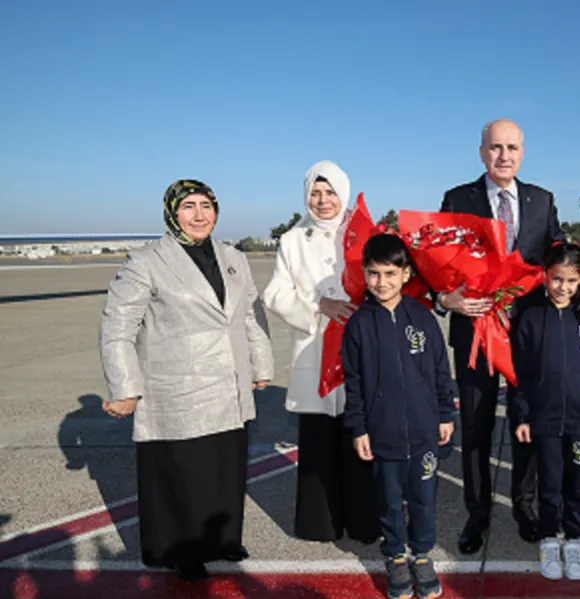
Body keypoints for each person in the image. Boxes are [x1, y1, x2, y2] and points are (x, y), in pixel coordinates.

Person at [438, 118, 580, 553]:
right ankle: (477, 514)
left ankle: (523, 504)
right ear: (481, 151)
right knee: (475, 426)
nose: (503, 155)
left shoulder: (541, 199)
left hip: (529, 336)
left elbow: (558, 255)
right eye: (495, 147)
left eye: (511, 147)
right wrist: (445, 300)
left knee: (528, 422)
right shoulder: (458, 199)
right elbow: (437, 261)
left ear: (523, 152)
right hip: (474, 332)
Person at [99, 179, 273, 581]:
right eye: (189, 206)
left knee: (225, 466)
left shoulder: (233, 257)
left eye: (207, 205)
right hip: (177, 384)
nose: (199, 215)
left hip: (229, 382)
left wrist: (260, 365)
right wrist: (124, 388)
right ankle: (182, 549)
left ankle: (223, 538)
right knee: (184, 471)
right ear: (171, 212)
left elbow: (249, 313)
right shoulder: (147, 260)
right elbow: (117, 326)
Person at [262, 161, 380, 544]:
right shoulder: (292, 241)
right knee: (318, 443)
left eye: (330, 192)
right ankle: (320, 523)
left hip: (359, 351)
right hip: (314, 348)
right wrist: (319, 305)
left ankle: (363, 521)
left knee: (361, 438)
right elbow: (276, 294)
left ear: (343, 193)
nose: (323, 200)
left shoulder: (365, 232)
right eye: (316, 192)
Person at [342, 234, 455, 599]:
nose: (382, 282)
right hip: (383, 433)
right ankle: (394, 555)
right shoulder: (359, 324)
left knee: (423, 498)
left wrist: (444, 413)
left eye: (390, 273)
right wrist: (359, 428)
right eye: (374, 274)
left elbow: (440, 370)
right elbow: (354, 383)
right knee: (390, 500)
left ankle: (421, 555)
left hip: (423, 431)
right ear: (365, 274)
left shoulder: (421, 317)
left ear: (406, 274)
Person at [510, 242, 580, 581]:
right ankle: (548, 539)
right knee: (550, 484)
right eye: (557, 279)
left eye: (572, 281)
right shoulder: (529, 318)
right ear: (545, 276)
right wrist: (523, 415)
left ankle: (573, 539)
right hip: (544, 419)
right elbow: (521, 374)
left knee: (577, 484)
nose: (563, 288)